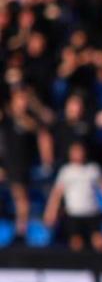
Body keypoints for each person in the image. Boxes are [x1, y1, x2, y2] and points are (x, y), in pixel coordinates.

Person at [43, 141, 102, 252]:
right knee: (76, 244)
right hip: (74, 213)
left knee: (99, 242)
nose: (77, 154)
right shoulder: (66, 171)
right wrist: (51, 212)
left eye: (79, 151)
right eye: (74, 152)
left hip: (92, 212)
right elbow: (57, 194)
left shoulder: (93, 169)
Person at [0, 86, 55, 243]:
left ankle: (20, 232)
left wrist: (33, 103)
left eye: (25, 99)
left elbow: (47, 122)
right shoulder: (6, 117)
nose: (22, 103)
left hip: (20, 165)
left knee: (22, 199)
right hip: (5, 162)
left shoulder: (31, 121)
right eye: (19, 99)